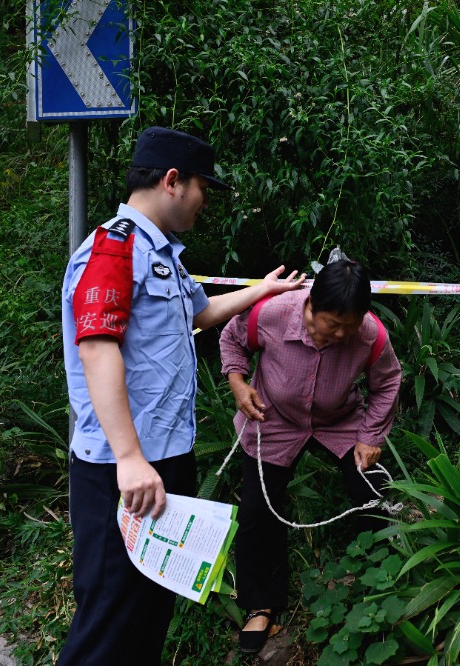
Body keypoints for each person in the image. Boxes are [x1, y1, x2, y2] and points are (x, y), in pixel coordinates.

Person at [59, 126, 304, 665]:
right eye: (202, 188)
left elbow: (198, 314)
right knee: (107, 621)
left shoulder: (161, 253)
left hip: (164, 462)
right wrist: (127, 458)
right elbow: (98, 347)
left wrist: (261, 290)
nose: (204, 202)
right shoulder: (114, 248)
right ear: (172, 181)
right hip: (123, 472)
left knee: (147, 613)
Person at [218, 258, 402, 654]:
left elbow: (387, 382)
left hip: (340, 419)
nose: (339, 334)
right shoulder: (270, 313)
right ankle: (260, 604)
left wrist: (371, 436)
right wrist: (237, 381)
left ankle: (390, 574)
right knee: (256, 511)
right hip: (275, 417)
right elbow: (232, 339)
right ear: (310, 306)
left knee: (374, 491)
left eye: (347, 328)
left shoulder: (369, 334)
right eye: (330, 325)